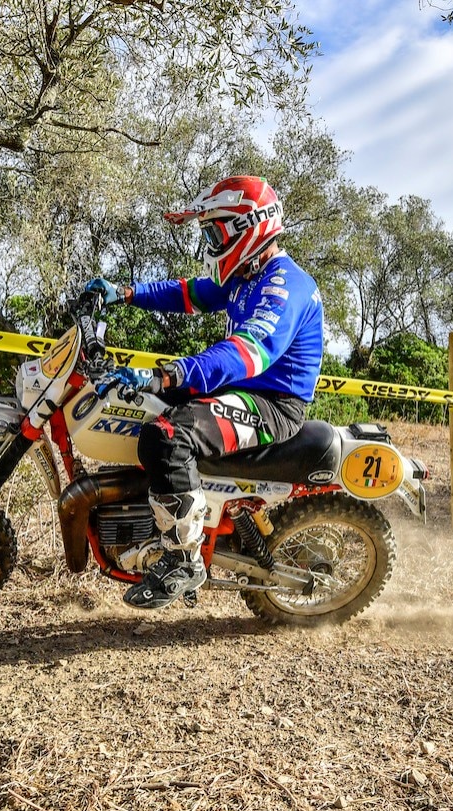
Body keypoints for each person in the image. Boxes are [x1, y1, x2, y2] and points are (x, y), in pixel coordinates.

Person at [85, 175, 324, 610]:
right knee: (138, 409)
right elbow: (190, 293)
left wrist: (169, 374)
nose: (210, 245)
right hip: (242, 388)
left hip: (272, 404)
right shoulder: (246, 272)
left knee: (166, 438)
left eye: (214, 234)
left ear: (246, 229)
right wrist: (124, 294)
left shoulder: (285, 285)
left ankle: (183, 560)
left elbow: (247, 352)